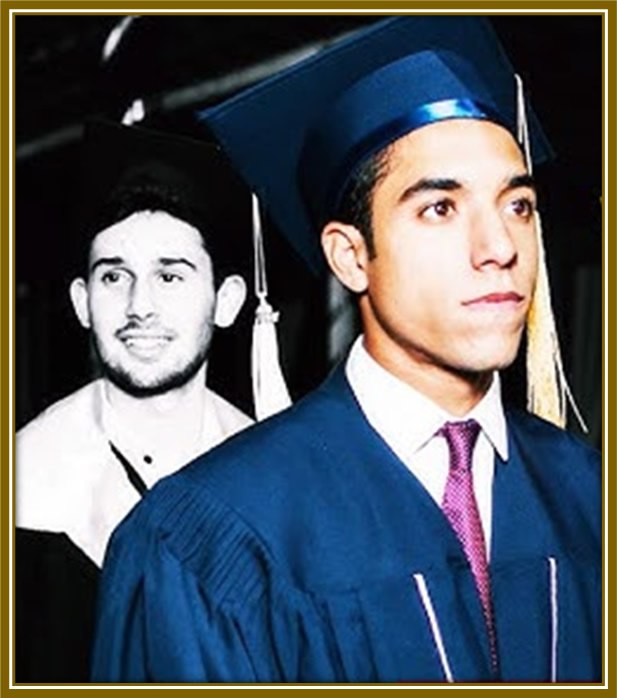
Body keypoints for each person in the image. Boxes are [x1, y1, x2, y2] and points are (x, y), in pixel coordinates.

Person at [91, 16, 601, 683]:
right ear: (350, 255)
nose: (499, 247)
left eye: (518, 206)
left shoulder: (587, 491)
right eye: (439, 209)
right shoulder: (207, 537)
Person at [15, 120, 254, 682]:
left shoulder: (272, 472)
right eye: (114, 276)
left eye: (170, 277)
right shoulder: (23, 478)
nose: (138, 305)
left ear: (227, 301)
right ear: (81, 302)